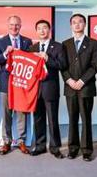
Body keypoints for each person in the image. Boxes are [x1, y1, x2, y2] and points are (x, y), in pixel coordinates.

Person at [62, 14, 97, 162]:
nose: (77, 25)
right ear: (71, 25)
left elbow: (94, 66)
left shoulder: (94, 44)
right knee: (72, 119)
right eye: (74, 22)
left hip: (86, 87)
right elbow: (62, 66)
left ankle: (87, 150)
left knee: (86, 119)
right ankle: (72, 149)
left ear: (85, 24)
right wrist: (70, 80)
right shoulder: (65, 44)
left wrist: (82, 81)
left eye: (80, 22)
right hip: (70, 87)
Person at [0, 15, 33, 155]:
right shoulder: (0, 41)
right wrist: (5, 53)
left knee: (22, 113)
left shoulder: (27, 42)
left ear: (20, 26)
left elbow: (32, 62)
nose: (14, 27)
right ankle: (7, 142)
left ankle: (21, 141)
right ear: (7, 26)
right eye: (11, 25)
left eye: (16, 25)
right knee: (7, 114)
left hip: (22, 84)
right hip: (6, 83)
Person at [28, 20, 68, 159]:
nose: (42, 31)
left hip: (50, 88)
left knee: (52, 119)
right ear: (36, 31)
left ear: (49, 30)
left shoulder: (58, 46)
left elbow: (62, 65)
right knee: (38, 119)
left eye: (44, 28)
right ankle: (40, 146)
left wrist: (47, 58)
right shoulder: (32, 48)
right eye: (39, 28)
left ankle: (55, 147)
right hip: (35, 90)